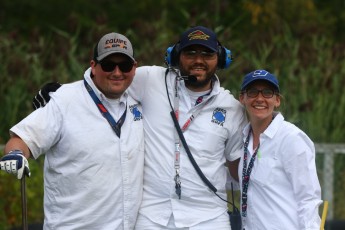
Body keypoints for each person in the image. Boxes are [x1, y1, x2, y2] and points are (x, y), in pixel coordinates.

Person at [28, 26, 247, 229]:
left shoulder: (232, 108)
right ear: (175, 56)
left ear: (221, 58)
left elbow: (238, 163)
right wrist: (61, 93)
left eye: (207, 54)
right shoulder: (150, 79)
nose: (198, 60)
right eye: (190, 53)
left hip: (208, 218)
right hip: (152, 216)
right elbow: (110, 77)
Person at [0, 32, 144, 229]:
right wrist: (16, 154)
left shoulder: (140, 98)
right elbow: (21, 139)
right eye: (109, 65)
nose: (117, 72)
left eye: (125, 66)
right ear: (93, 66)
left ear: (134, 67)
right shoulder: (64, 100)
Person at [238, 69, 322, 229]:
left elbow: (308, 199)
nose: (260, 98)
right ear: (242, 98)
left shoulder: (291, 138)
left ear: (277, 100)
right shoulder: (243, 138)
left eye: (267, 93)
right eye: (253, 92)